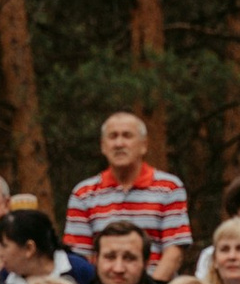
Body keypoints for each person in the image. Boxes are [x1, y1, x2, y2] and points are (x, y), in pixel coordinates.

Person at [63, 101, 193, 274]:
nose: (119, 143)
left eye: (127, 136)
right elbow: (79, 257)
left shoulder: (169, 188)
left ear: (143, 145)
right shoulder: (84, 194)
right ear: (103, 146)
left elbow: (174, 252)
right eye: (113, 136)